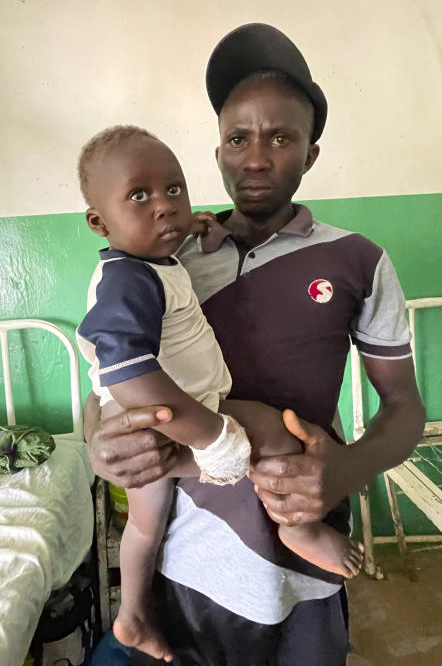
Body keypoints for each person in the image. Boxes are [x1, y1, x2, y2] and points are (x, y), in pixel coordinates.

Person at [87, 23, 427, 665]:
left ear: (311, 153)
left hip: (299, 563)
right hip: (184, 557)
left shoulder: (357, 260)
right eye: (238, 138)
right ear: (217, 151)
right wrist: (98, 442)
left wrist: (345, 473)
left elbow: (405, 407)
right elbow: (106, 374)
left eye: (281, 138)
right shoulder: (168, 257)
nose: (256, 157)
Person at [75, 124, 364, 662]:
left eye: (174, 190)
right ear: (99, 221)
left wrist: (193, 225)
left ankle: (131, 614)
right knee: (275, 430)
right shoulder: (129, 278)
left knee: (144, 525)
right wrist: (212, 438)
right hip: (174, 419)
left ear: (310, 154)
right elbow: (122, 372)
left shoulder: (157, 261)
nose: (164, 206)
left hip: (158, 422)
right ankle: (300, 531)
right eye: (140, 196)